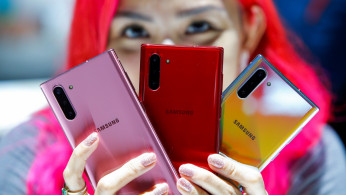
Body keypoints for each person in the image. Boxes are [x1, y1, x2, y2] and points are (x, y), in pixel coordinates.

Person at [0, 0, 345, 194]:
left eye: (199, 27)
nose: (169, 51)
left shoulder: (313, 157)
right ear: (99, 44)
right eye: (135, 32)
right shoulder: (23, 154)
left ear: (250, 29)